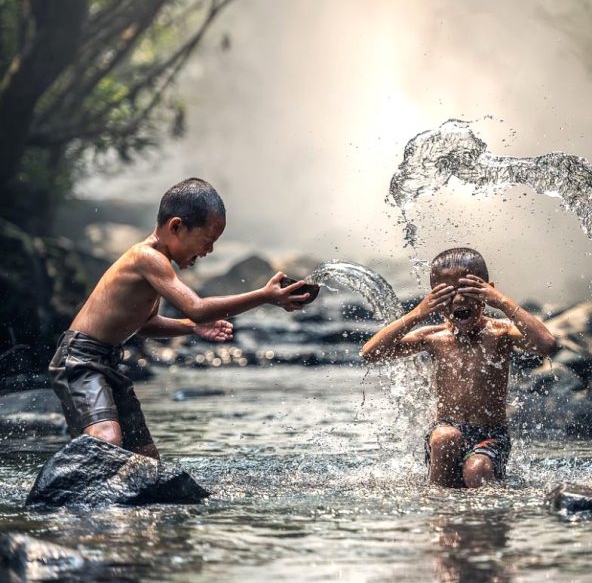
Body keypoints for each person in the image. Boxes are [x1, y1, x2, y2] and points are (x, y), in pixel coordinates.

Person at [49, 178, 315, 459]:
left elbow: (146, 324)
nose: (208, 251)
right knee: (107, 438)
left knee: (145, 457)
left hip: (107, 362)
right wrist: (264, 295)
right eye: (207, 241)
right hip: (80, 359)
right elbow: (197, 307)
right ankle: (63, 489)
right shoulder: (146, 257)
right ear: (176, 226)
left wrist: (191, 328)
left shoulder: (157, 266)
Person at [361, 248, 557, 488]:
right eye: (447, 293)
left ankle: (483, 520)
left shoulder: (500, 334)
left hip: (491, 435)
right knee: (446, 437)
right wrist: (418, 312)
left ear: (488, 291)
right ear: (433, 298)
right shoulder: (433, 337)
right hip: (444, 432)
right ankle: (438, 508)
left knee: (477, 470)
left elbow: (546, 345)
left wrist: (503, 302)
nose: (459, 300)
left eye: (468, 290)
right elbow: (370, 353)